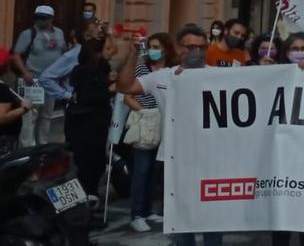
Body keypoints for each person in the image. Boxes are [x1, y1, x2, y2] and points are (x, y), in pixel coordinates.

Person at [116, 24, 220, 246]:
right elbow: (125, 86)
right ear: (179, 48)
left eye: (201, 47)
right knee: (180, 218)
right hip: (174, 159)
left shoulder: (219, 76)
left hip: (211, 160)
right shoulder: (163, 77)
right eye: (190, 47)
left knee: (212, 218)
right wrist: (133, 52)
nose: (196, 52)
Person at [271, 33, 304, 246]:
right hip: (282, 157)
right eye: (295, 48)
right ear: (286, 53)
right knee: (281, 222)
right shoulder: (274, 75)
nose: (300, 52)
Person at [124, 33, 173, 232]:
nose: (153, 50)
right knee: (141, 170)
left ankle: (148, 210)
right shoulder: (141, 68)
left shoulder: (172, 70)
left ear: (166, 50)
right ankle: (136, 214)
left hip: (166, 125)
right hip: (146, 123)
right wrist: (144, 112)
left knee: (155, 171)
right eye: (151, 46)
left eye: (157, 46)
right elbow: (126, 94)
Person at [64, 26, 116, 213]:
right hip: (86, 124)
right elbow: (91, 96)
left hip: (96, 123)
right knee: (85, 162)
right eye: (104, 50)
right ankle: (82, 201)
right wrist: (110, 90)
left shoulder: (102, 67)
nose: (108, 53)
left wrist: (110, 35)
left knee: (94, 162)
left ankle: (90, 196)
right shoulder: (82, 71)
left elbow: (113, 52)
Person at [12, 5, 67, 146]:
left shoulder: (59, 33)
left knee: (46, 114)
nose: (40, 21)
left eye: (44, 18)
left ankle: (42, 144)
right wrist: (25, 72)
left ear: (51, 19)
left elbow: (63, 52)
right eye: (38, 18)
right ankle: (27, 146)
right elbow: (16, 54)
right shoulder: (28, 33)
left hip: (52, 80)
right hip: (34, 79)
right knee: (30, 114)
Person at [0, 47, 31, 156]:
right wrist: (24, 108)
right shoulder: (3, 91)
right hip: (4, 140)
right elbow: (2, 118)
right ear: (6, 68)